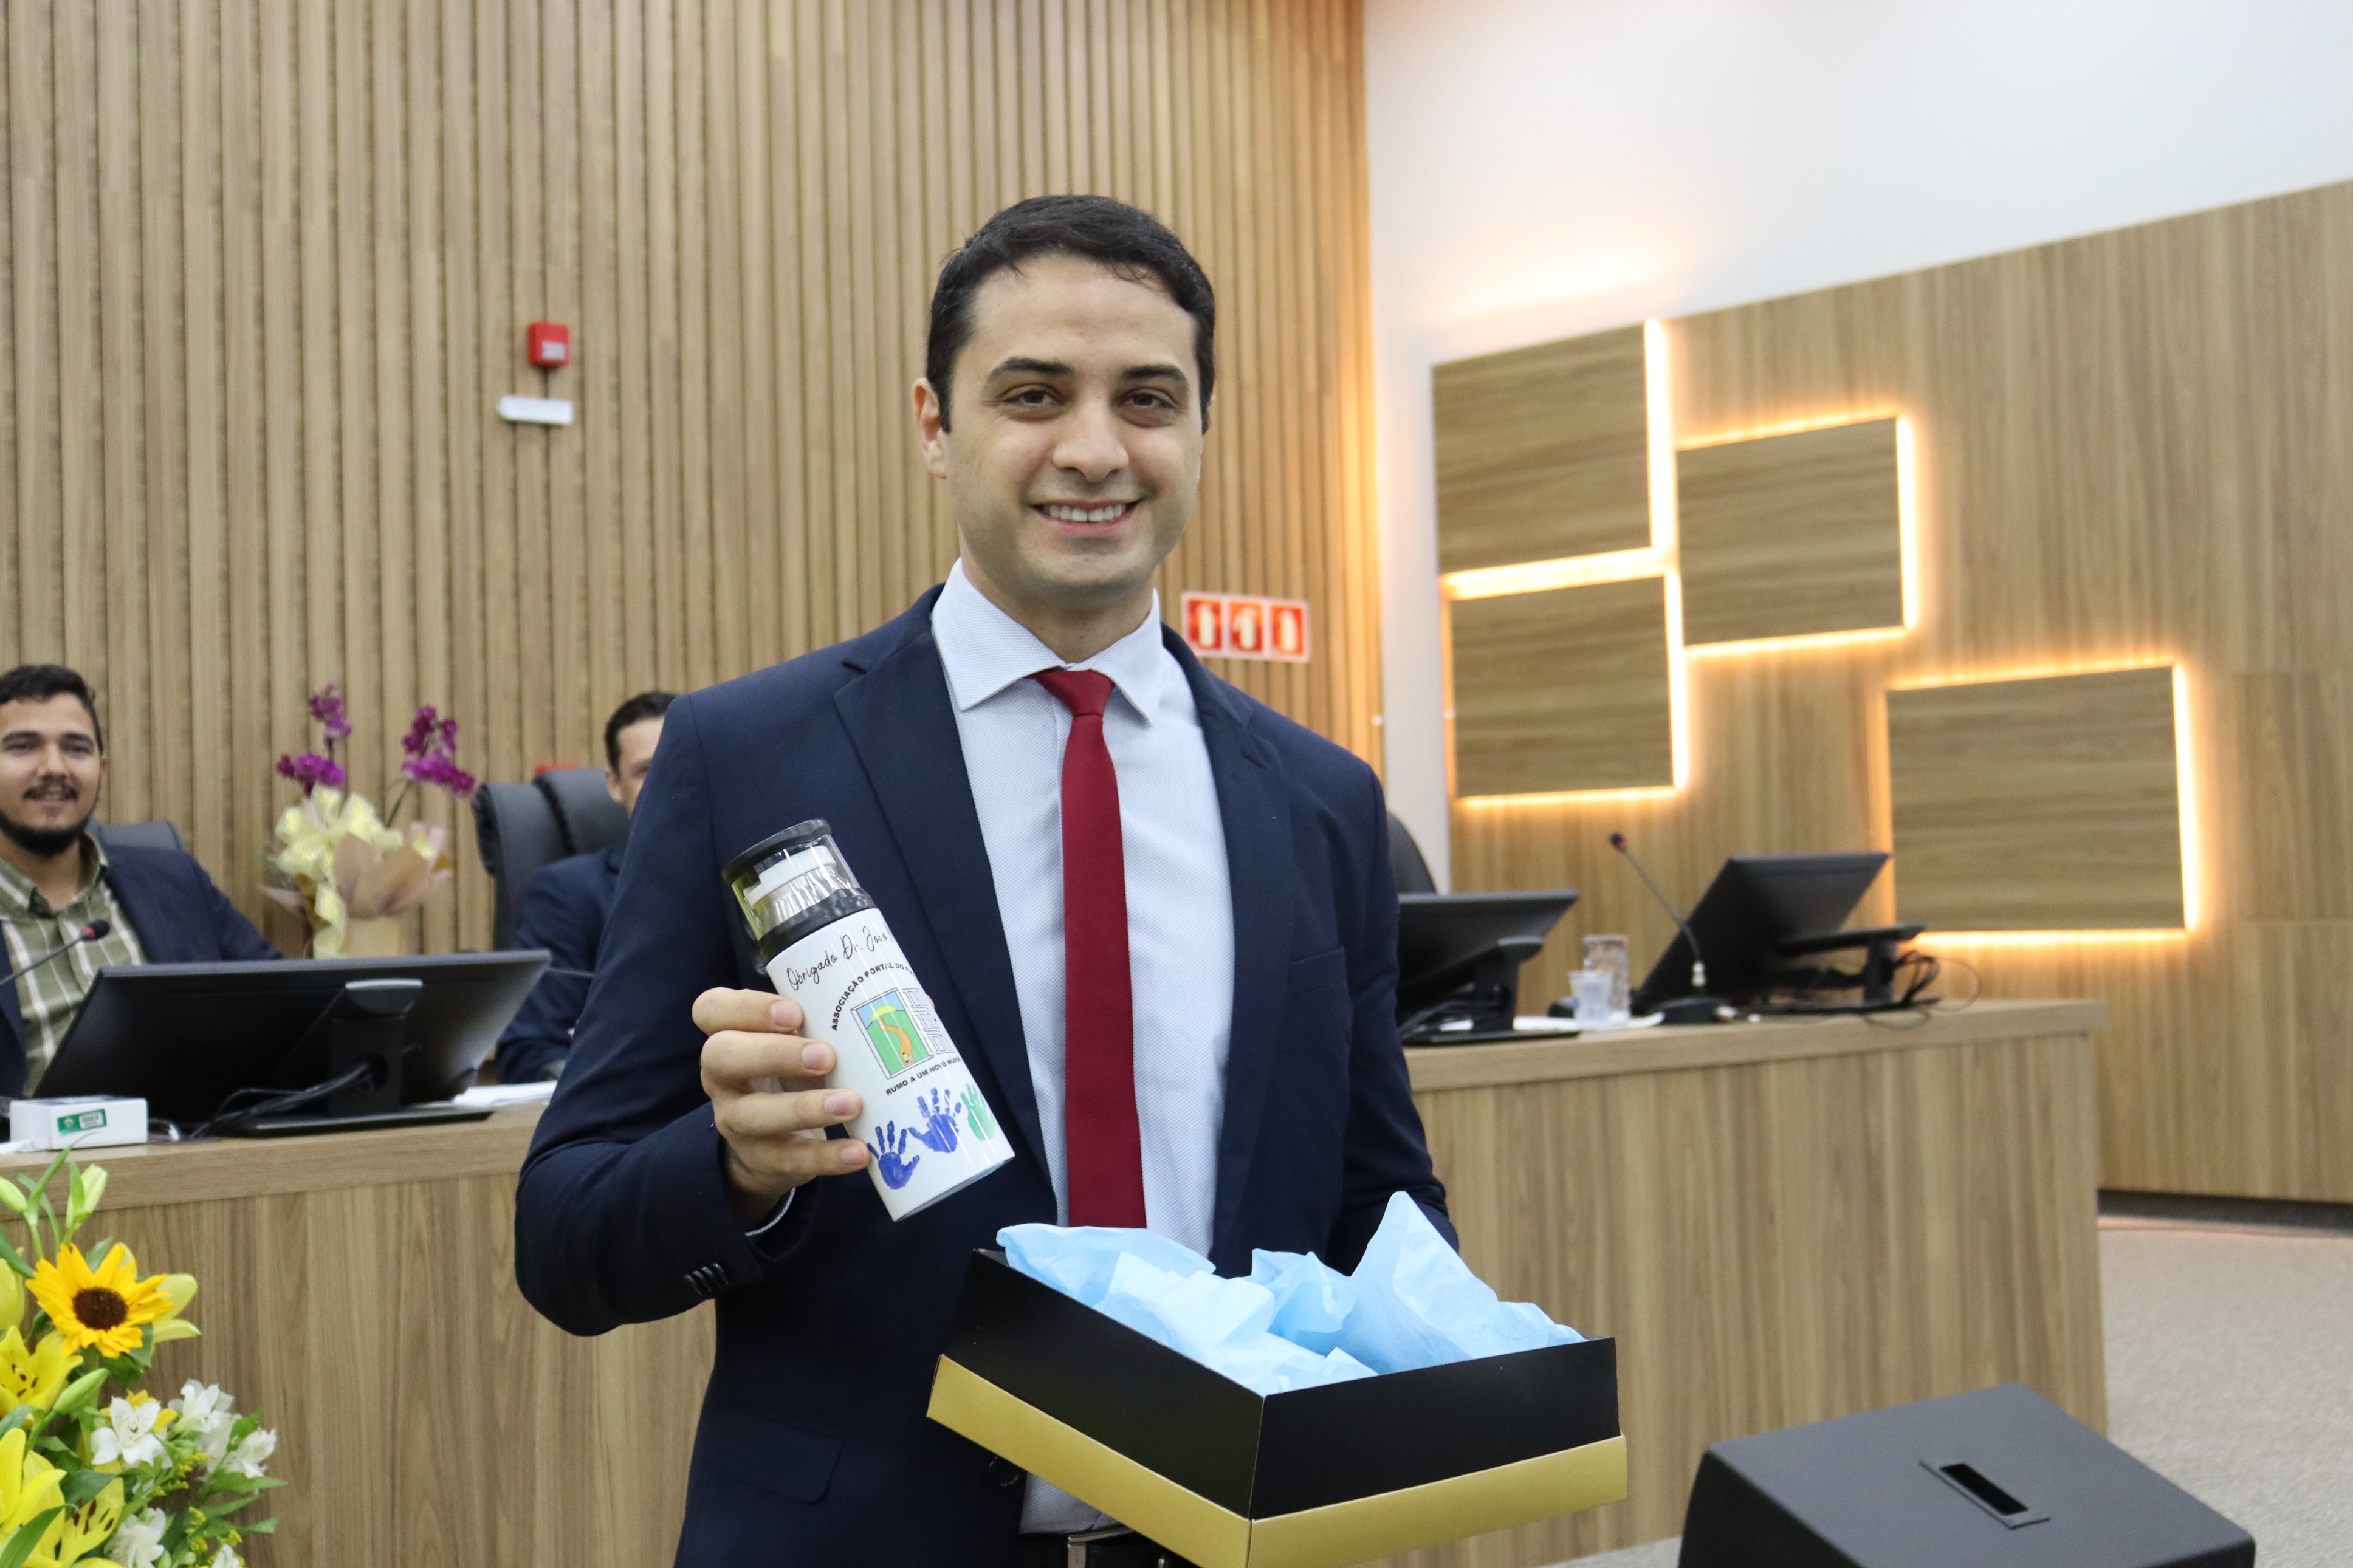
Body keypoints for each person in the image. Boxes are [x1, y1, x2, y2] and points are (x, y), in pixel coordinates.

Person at [514, 196, 1448, 1566]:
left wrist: (1460, 1373)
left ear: (1202, 426)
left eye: (1147, 398)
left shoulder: (1319, 801)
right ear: (934, 425)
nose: (1094, 449)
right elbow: (565, 1233)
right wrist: (738, 1170)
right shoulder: (748, 759)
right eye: (1032, 395)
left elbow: (1379, 1206)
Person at [0, 665, 277, 1096]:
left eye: (76, 749)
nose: (54, 767)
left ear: (102, 771)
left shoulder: (176, 882)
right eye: (23, 747)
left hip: (186, 1131)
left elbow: (286, 999)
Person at [493, 691, 673, 1083]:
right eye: (645, 770)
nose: (666, 782)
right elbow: (530, 1050)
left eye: (678, 763)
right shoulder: (570, 895)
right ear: (614, 784)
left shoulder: (757, 877)